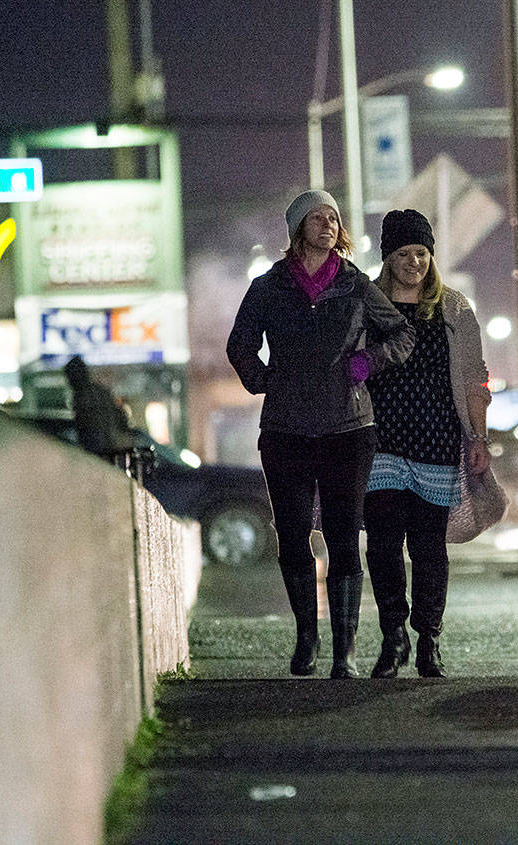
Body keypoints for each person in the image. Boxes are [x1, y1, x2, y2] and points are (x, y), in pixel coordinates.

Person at [227, 189, 415, 679]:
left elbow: (402, 333)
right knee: (292, 535)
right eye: (317, 218)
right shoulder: (270, 286)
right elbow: (240, 343)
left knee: (343, 536)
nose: (328, 225)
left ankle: (344, 652)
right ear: (296, 229)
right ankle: (306, 639)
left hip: (348, 427)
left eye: (334, 218)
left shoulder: (355, 284)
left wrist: (367, 362)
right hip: (286, 427)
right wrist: (263, 378)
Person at [363, 209, 492, 679]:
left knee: (428, 546)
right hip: (380, 442)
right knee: (381, 543)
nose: (414, 262)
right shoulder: (369, 304)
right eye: (403, 254)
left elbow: (475, 379)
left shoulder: (453, 309)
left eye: (421, 253)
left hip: (436, 443)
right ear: (387, 257)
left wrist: (478, 437)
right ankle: (392, 635)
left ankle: (428, 640)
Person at [63, 354, 132, 460]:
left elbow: (85, 424)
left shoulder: (82, 396)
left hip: (96, 451)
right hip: (109, 449)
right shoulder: (102, 392)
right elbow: (122, 420)